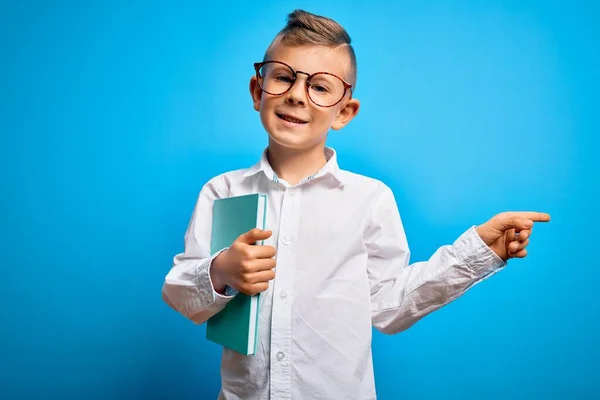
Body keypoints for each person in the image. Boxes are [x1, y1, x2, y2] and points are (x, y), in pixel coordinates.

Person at [161, 9, 550, 400]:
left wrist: (478, 251)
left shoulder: (370, 199)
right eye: (282, 77)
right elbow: (180, 294)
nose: (297, 95)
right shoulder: (221, 191)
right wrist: (221, 269)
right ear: (257, 91)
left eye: (320, 87)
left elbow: (390, 307)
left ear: (344, 111)